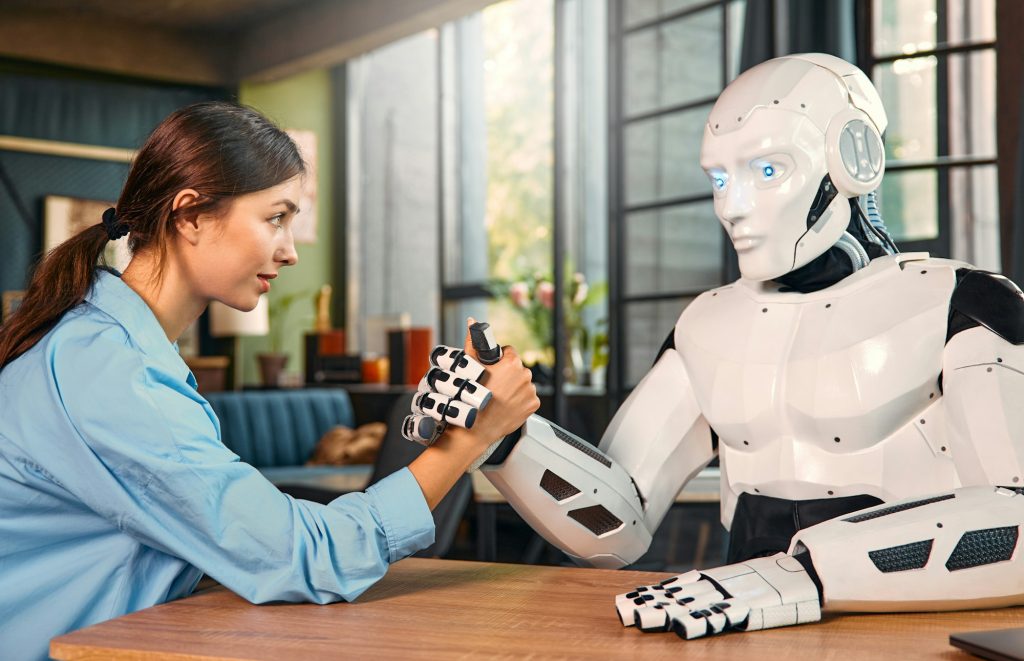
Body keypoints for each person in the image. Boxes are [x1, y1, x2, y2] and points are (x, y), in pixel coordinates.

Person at [408, 53, 1024, 639]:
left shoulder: (961, 303)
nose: (732, 206)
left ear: (853, 157)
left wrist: (802, 575)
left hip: (905, 634)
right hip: (736, 632)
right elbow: (618, 527)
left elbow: (1017, 516)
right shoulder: (707, 324)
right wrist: (505, 436)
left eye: (767, 171)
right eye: (720, 178)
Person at [0, 101, 539, 661]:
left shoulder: (103, 344)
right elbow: (306, 556)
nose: (290, 251)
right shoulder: (114, 374)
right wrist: (470, 437)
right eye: (275, 218)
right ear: (190, 216)